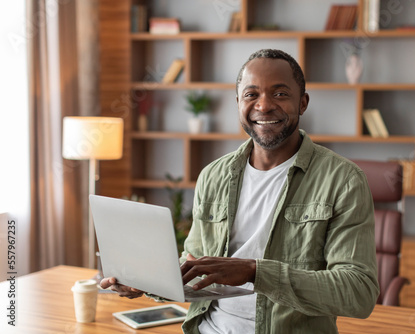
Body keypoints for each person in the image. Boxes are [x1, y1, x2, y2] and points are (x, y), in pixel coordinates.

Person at [101, 49, 379, 333]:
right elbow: (196, 266)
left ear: (303, 103)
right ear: (238, 103)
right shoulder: (213, 176)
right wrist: (146, 280)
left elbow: (358, 293)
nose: (264, 105)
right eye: (251, 94)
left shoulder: (343, 180)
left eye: (280, 94)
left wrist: (255, 272)